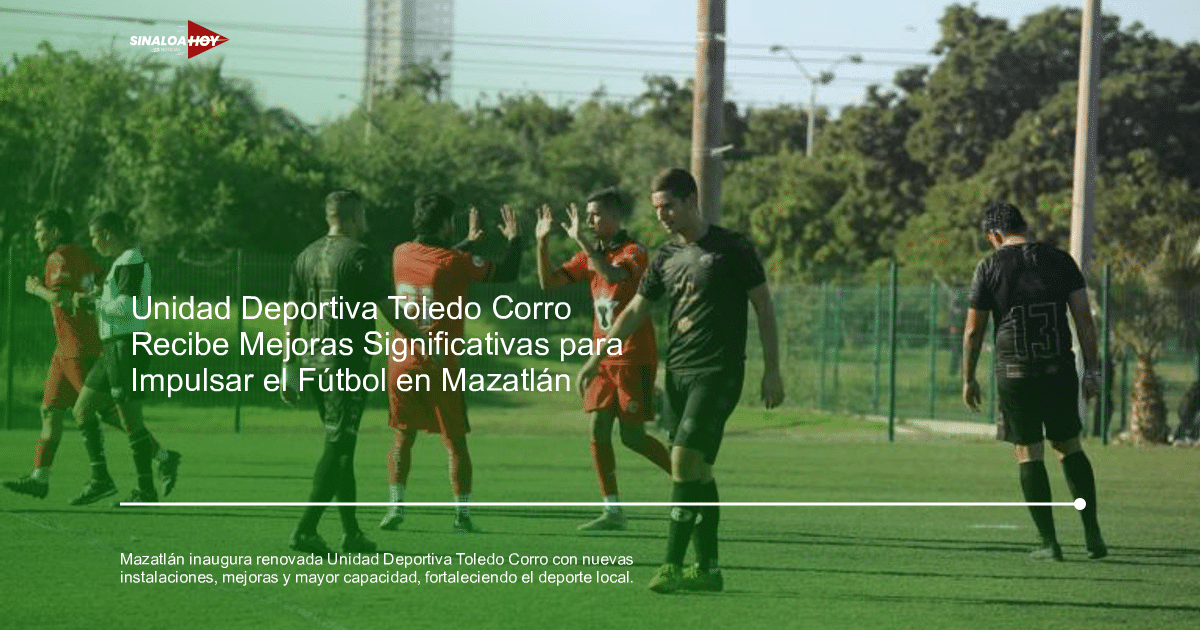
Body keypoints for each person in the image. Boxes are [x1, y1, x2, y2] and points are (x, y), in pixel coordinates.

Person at [577, 168, 784, 593]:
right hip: (679, 374)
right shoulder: (666, 256)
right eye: (656, 209)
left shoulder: (732, 247)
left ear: (692, 200)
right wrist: (597, 355)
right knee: (699, 472)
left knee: (683, 462)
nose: (662, 216)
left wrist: (772, 369)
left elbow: (763, 306)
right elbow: (634, 310)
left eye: (668, 206)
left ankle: (671, 564)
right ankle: (708, 569)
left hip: (719, 372)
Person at [962, 201, 1108, 561]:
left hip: (1015, 373)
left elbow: (972, 333)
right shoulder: (1059, 260)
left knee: (1028, 452)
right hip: (1058, 368)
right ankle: (1093, 536)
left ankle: (1049, 543)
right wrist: (1092, 370)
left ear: (994, 235)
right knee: (1069, 446)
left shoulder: (989, 266)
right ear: (1023, 226)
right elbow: (1085, 322)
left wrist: (968, 378)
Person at [3, 211, 180, 502]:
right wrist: (93, 296)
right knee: (70, 410)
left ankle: (155, 467)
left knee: (115, 413)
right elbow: (98, 285)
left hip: (101, 346)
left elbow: (114, 304)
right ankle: (45, 477)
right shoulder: (106, 263)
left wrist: (40, 290)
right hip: (94, 346)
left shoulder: (72, 259)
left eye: (39, 230)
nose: (36, 236)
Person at [283, 190, 419, 554]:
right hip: (345, 365)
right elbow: (389, 309)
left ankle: (352, 532)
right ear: (356, 216)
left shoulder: (305, 255)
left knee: (340, 444)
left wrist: (287, 364)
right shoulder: (361, 256)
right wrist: (426, 340)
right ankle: (305, 530)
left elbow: (292, 311)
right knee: (339, 446)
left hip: (313, 363)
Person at [380, 195, 522, 534]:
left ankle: (395, 507)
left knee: (402, 439)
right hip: (439, 364)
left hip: (401, 363)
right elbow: (507, 271)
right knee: (455, 441)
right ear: (444, 224)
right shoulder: (454, 262)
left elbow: (433, 258)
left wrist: (465, 243)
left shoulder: (400, 253)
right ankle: (461, 515)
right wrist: (515, 239)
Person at [535, 189, 671, 531]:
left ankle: (688, 480)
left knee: (633, 438)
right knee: (597, 429)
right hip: (603, 359)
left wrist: (580, 239)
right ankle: (613, 510)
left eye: (595, 215)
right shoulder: (590, 257)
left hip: (631, 357)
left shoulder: (634, 252)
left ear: (614, 217)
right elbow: (548, 283)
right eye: (588, 215)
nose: (590, 220)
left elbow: (613, 275)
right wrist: (542, 243)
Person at [67, 212, 179, 506]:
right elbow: (116, 304)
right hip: (112, 350)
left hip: (126, 349)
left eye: (94, 236)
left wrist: (94, 300)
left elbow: (128, 307)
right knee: (83, 410)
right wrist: (96, 300)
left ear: (107, 233)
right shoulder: (121, 263)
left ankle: (146, 490)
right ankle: (101, 479)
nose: (93, 243)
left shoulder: (132, 260)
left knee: (130, 421)